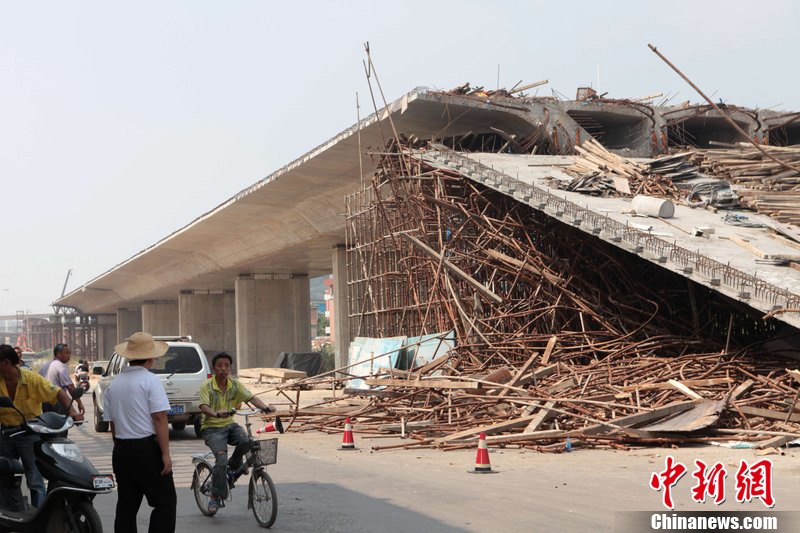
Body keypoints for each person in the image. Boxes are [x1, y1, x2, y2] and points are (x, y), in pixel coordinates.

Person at [103, 332, 176, 533]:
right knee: (165, 503)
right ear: (151, 357)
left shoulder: (114, 384)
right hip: (146, 451)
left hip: (121, 451)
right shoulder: (150, 380)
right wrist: (165, 454)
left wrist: (121, 448)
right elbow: (160, 418)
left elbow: (113, 426)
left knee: (126, 506)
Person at [0, 344, 84, 508]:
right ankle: (9, 511)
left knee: (35, 479)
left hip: (29, 434)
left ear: (6, 363)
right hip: (5, 435)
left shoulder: (31, 379)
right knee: (4, 476)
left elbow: (58, 392)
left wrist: (73, 412)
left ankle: (39, 517)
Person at [198, 352, 275, 514]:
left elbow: (251, 398)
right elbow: (204, 406)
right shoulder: (207, 386)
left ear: (230, 368)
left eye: (227, 366)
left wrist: (265, 407)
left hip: (230, 425)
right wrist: (216, 413)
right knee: (221, 460)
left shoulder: (235, 385)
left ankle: (233, 467)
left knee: (247, 441)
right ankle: (215, 496)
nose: (224, 369)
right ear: (214, 368)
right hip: (212, 428)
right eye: (220, 366)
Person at [39, 343, 85, 416]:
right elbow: (71, 388)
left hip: (44, 404)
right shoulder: (61, 366)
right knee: (64, 424)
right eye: (66, 353)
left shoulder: (45, 366)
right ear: (58, 354)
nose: (69, 356)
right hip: (57, 403)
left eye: (69, 353)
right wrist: (80, 403)